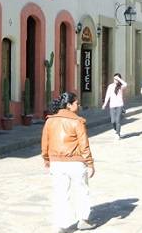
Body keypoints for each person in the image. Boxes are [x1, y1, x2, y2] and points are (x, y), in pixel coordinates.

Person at [41, 92, 96, 232]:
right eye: (76, 103)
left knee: (60, 193)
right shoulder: (77, 121)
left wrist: (47, 160)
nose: (78, 105)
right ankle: (83, 219)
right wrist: (90, 163)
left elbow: (45, 143)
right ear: (69, 105)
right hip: (76, 162)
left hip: (57, 163)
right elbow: (84, 145)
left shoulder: (50, 121)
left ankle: (61, 224)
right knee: (82, 191)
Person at [102, 73, 127, 139]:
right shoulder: (110, 86)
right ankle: (117, 130)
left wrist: (119, 79)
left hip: (119, 105)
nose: (115, 80)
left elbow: (125, 84)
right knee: (113, 121)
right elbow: (107, 95)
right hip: (112, 105)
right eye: (114, 79)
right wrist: (105, 104)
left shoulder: (121, 86)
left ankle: (117, 133)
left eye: (117, 79)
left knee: (118, 120)